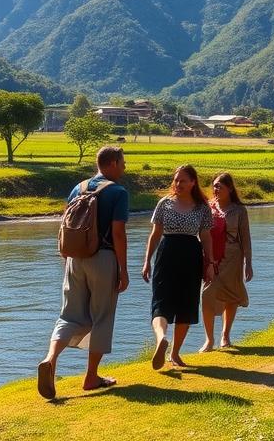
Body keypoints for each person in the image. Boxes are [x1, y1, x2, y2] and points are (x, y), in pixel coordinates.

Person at [37, 146, 129, 398]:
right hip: (104, 258)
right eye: (122, 162)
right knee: (102, 317)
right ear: (111, 164)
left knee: (69, 315)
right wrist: (123, 269)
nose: (124, 167)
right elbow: (118, 233)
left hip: (74, 258)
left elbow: (66, 223)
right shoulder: (118, 192)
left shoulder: (79, 188)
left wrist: (66, 255)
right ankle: (91, 377)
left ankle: (50, 358)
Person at [142, 164, 215, 368]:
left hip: (192, 256)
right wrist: (147, 260)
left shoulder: (202, 206)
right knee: (161, 302)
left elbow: (206, 237)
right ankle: (162, 340)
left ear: (193, 182)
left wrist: (210, 263)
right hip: (167, 254)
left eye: (183, 180)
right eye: (176, 180)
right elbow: (155, 234)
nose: (178, 184)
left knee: (187, 305)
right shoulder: (164, 203)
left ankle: (174, 353)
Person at [199, 172, 253, 351]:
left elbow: (245, 238)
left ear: (229, 189)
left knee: (231, 296)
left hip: (233, 258)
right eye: (214, 185)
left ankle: (225, 336)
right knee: (207, 295)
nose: (216, 189)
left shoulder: (239, 210)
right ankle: (209, 339)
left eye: (220, 186)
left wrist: (248, 263)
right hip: (212, 258)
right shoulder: (208, 208)